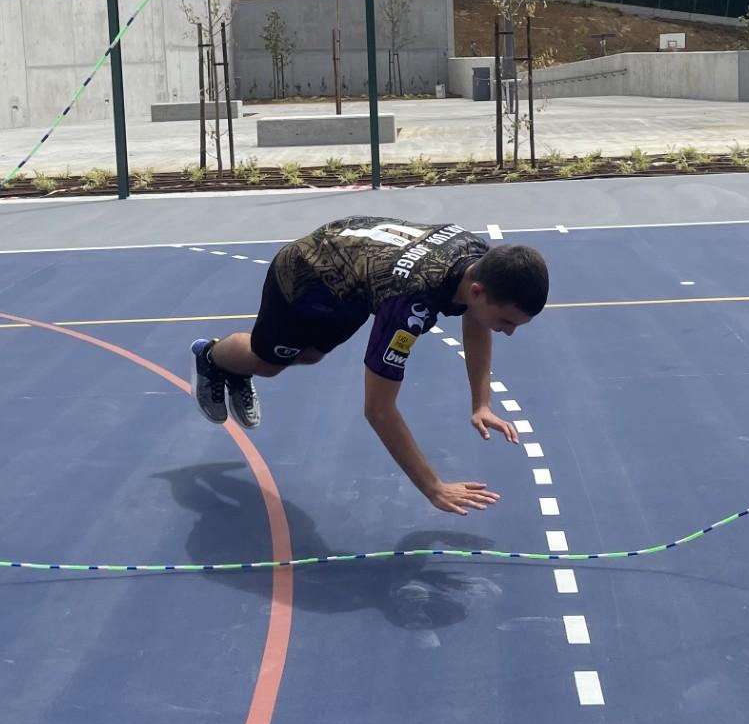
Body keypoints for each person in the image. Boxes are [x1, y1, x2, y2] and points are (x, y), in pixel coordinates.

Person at [189, 218, 549, 515]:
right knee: (268, 363)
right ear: (476, 291)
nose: (509, 332)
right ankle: (212, 358)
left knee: (311, 355)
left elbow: (477, 318)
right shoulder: (410, 303)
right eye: (506, 321)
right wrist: (434, 487)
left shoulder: (482, 261)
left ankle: (237, 369)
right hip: (306, 275)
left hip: (354, 276)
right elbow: (378, 409)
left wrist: (481, 403)